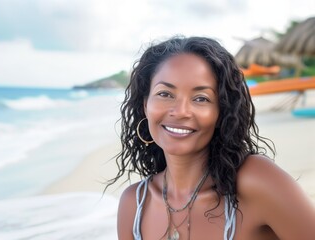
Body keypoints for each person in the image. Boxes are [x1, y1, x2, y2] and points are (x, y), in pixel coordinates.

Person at [108, 36, 315, 240]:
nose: (180, 112)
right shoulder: (134, 205)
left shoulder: (256, 182)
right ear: (146, 105)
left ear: (220, 113)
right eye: (165, 94)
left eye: (201, 98)